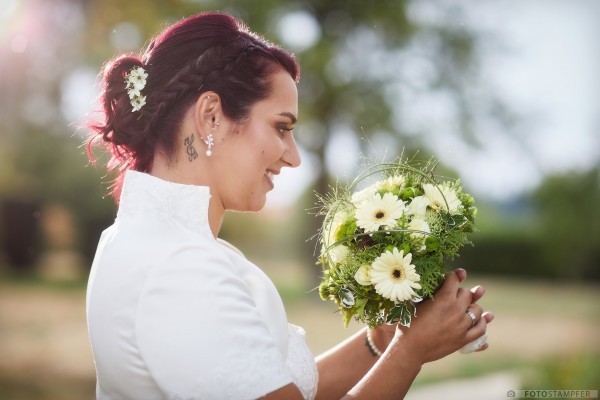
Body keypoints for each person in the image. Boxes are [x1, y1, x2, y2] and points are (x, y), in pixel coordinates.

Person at [85, 11, 493, 400]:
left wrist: (382, 339)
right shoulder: (181, 268)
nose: (293, 157)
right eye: (281, 127)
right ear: (211, 116)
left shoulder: (141, 239)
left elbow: (268, 387)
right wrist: (411, 351)